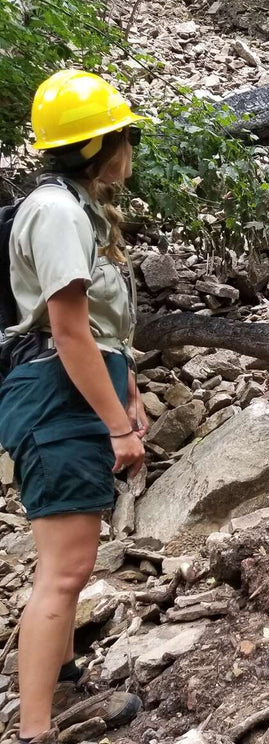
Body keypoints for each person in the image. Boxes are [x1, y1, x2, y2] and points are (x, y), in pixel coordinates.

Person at [0, 70, 152, 743]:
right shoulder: (59, 212)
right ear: (100, 146)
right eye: (126, 137)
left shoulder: (75, 207)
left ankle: (60, 679)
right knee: (64, 573)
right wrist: (118, 428)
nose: (131, 149)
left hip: (72, 392)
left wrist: (128, 390)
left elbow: (98, 326)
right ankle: (34, 731)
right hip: (57, 398)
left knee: (69, 562)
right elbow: (66, 330)